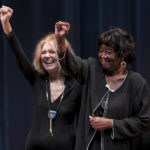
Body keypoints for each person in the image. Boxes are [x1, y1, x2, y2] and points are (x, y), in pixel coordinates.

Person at [55, 21, 150, 150]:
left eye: (108, 52)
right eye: (101, 51)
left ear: (122, 55)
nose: (102, 56)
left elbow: (145, 121)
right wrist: (60, 39)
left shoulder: (136, 83)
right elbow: (69, 63)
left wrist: (112, 124)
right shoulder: (91, 69)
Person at [0, 6, 81, 150]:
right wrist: (6, 24)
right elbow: (19, 55)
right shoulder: (38, 80)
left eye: (51, 51)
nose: (47, 56)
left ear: (62, 54)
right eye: (43, 53)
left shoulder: (76, 84)